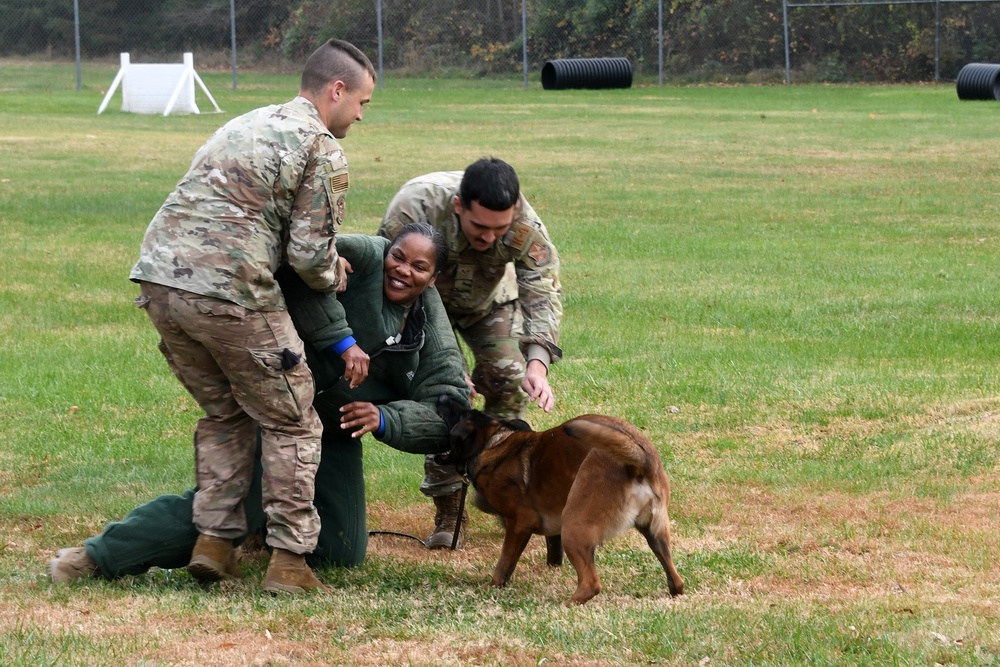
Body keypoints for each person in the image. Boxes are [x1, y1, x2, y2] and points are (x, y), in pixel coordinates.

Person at [49, 225, 470, 589]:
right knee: (229, 508)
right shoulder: (362, 254)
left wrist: (386, 418)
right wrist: (335, 311)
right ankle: (91, 558)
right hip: (278, 402)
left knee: (341, 551)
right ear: (387, 250)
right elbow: (295, 258)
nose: (403, 270)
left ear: (433, 279)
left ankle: (268, 528)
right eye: (398, 257)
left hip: (333, 425)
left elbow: (450, 409)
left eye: (419, 267)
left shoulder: (429, 322)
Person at [126, 38, 377, 594]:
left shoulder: (246, 123)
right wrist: (337, 272)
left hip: (161, 282)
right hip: (231, 291)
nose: (361, 115)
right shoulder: (321, 146)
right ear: (336, 91)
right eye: (361, 102)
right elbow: (310, 256)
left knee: (225, 415)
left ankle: (214, 544)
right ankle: (290, 562)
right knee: (293, 418)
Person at [377, 157, 563, 549]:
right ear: (459, 206)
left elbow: (542, 288)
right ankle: (449, 504)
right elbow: (390, 283)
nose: (490, 238)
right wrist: (444, 363)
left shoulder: (524, 225)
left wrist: (538, 364)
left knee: (510, 377)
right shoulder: (416, 206)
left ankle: (504, 485)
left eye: (500, 229)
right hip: (424, 306)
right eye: (480, 227)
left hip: (489, 304)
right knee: (448, 397)